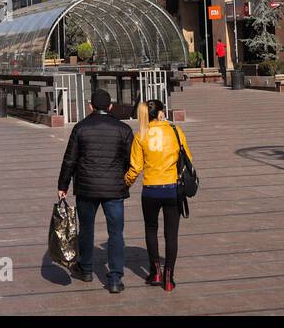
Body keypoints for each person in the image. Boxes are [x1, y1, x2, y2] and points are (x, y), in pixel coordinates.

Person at [56, 88, 133, 294]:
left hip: (87, 188)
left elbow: (70, 159)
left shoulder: (80, 128)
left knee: (86, 228)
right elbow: (130, 161)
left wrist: (62, 185)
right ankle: (115, 278)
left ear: (90, 106)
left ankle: (87, 268)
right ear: (110, 107)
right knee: (116, 232)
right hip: (114, 189)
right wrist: (123, 179)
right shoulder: (124, 129)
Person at [125, 99, 191, 292]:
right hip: (172, 189)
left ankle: (155, 272)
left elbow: (135, 168)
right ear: (161, 113)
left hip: (151, 190)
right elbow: (187, 158)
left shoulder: (141, 135)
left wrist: (125, 184)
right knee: (171, 234)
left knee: (151, 229)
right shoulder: (175, 131)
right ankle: (169, 278)